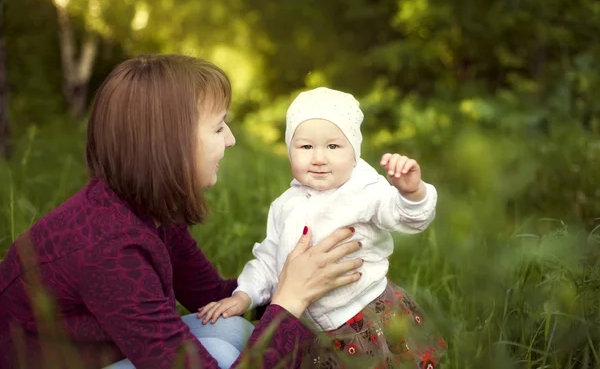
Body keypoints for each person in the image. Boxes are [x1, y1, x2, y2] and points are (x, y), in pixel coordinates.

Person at [0, 56, 365, 369]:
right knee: (221, 352)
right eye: (219, 127)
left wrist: (300, 281)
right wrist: (290, 300)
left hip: (99, 355)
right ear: (171, 144)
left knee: (230, 327)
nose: (231, 139)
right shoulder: (109, 249)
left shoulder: (148, 208)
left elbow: (214, 296)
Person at [198, 87, 446, 368]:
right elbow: (270, 260)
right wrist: (245, 294)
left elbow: (405, 217)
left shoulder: (363, 189)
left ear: (354, 152)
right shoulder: (285, 205)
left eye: (333, 146)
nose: (318, 158)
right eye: (305, 146)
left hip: (365, 314)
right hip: (316, 328)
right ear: (290, 149)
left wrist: (412, 195)